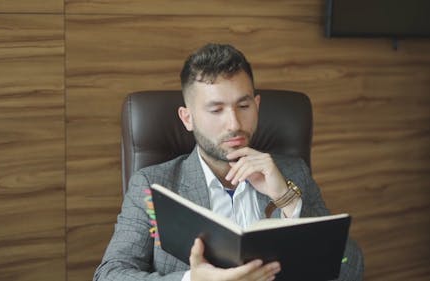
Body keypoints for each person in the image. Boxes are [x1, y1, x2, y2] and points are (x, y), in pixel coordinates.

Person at [94, 43, 364, 281]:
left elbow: (350, 267)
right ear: (187, 118)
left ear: (257, 106)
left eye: (244, 106)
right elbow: (109, 275)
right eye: (216, 109)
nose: (234, 124)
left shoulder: (293, 173)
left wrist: (287, 200)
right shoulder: (153, 184)